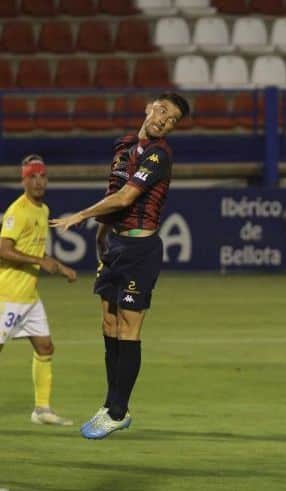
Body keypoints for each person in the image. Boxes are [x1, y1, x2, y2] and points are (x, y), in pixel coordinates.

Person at [50, 92, 190, 439]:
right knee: (109, 323)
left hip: (140, 250)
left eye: (171, 119)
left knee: (128, 327)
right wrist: (102, 233)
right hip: (115, 245)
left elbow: (128, 197)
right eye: (160, 110)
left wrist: (81, 215)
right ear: (147, 108)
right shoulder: (123, 147)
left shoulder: (159, 155)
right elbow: (114, 190)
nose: (163, 119)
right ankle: (113, 404)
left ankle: (117, 410)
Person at [0, 154, 77, 426]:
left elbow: (35, 250)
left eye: (42, 176)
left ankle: (42, 410)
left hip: (29, 297)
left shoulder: (43, 210)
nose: (38, 181)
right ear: (23, 180)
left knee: (45, 347)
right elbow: (4, 250)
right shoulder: (17, 211)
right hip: (8, 296)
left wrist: (59, 266)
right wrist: (39, 261)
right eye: (32, 176)